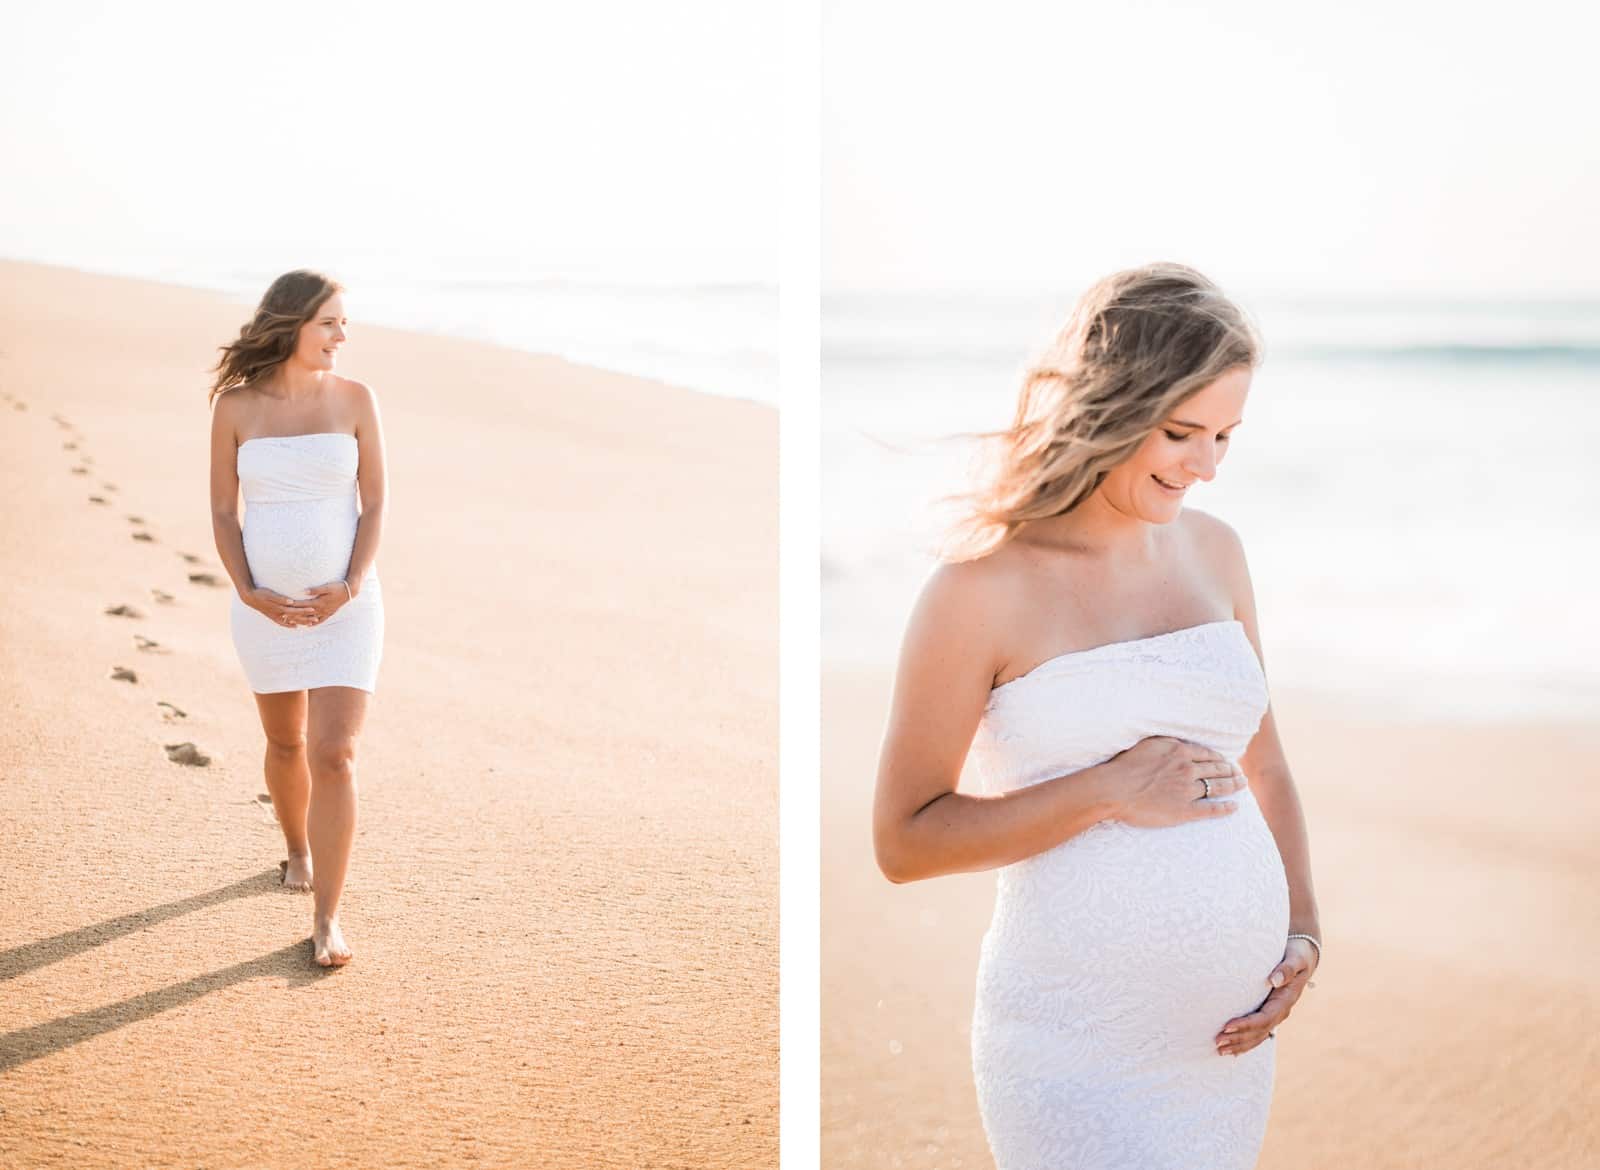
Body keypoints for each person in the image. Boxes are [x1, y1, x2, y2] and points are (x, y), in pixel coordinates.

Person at [872, 263, 1322, 1169]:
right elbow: (904, 841)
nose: (1207, 466)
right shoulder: (979, 591)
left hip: (1220, 1055)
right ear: (1111, 406)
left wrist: (1302, 934)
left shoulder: (1216, 553)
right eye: (1181, 432)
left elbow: (1266, 764)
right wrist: (1109, 788)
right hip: (1072, 1050)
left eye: (1228, 435)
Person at [208, 269, 387, 968]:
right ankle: (294, 848)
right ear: (291, 326)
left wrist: (350, 583)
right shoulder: (236, 407)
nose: (342, 337)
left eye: (344, 324)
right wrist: (248, 589)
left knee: (334, 754)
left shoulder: (356, 400)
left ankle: (327, 920)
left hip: (347, 606)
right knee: (286, 744)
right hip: (265, 611)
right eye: (330, 324)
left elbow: (375, 506)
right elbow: (224, 512)